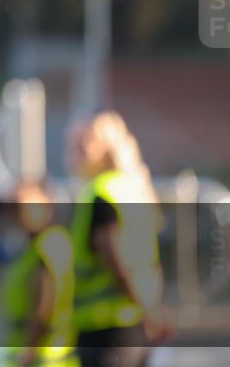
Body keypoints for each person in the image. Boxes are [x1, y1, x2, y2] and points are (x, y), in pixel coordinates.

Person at [66, 111, 170, 367]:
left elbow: (117, 258)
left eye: (85, 143)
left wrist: (148, 311)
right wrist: (151, 309)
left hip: (105, 327)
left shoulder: (100, 194)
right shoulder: (131, 189)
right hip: (133, 322)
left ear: (107, 147)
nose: (76, 151)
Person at [1, 182, 78, 367]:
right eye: (13, 207)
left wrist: (31, 349)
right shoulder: (33, 247)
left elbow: (46, 304)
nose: (18, 213)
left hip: (45, 355)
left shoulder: (50, 242)